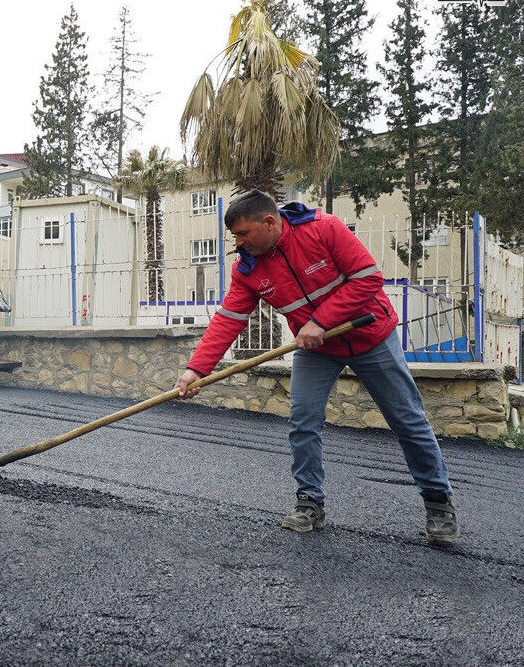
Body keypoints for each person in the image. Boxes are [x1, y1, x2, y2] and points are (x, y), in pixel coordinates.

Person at [173, 190, 458, 544]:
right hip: (316, 350)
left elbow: (368, 278)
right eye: (235, 236)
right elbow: (229, 319)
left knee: (408, 420)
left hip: (370, 336)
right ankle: (310, 501)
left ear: (269, 222)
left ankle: (438, 503)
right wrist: (197, 370)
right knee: (303, 420)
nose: (239, 243)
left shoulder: (325, 229)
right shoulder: (248, 268)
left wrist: (320, 321)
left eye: (243, 234)